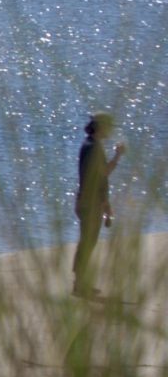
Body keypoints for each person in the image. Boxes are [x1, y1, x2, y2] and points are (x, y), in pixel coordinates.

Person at [74, 115, 123, 298]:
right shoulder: (92, 148)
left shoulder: (92, 146)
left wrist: (105, 203)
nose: (110, 130)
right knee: (87, 241)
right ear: (100, 127)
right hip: (89, 202)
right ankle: (79, 284)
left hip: (89, 200)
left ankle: (81, 283)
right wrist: (117, 155)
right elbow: (103, 173)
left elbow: (99, 178)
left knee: (88, 241)